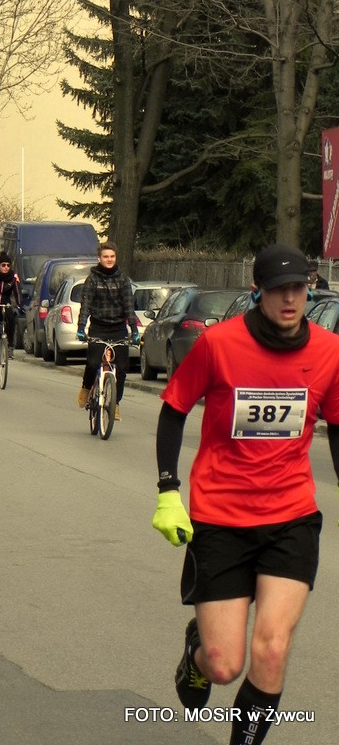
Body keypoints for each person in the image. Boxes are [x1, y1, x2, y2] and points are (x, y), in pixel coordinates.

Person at [151, 244, 339, 745]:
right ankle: (196, 654)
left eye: (298, 288)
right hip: (221, 518)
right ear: (258, 292)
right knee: (224, 664)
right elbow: (174, 409)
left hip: (291, 517)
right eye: (279, 290)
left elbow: (338, 426)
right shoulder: (219, 344)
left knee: (272, 648)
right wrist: (168, 488)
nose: (290, 299)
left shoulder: (329, 351)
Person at [76, 240, 138, 419]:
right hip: (98, 327)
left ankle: (115, 403)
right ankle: (86, 387)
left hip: (118, 328)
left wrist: (134, 330)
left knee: (123, 368)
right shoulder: (92, 279)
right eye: (105, 257)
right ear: (99, 258)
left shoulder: (123, 279)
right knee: (93, 363)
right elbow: (86, 305)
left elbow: (129, 306)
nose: (109, 259)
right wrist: (81, 328)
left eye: (112, 256)